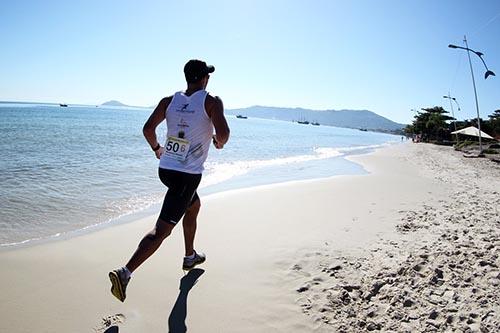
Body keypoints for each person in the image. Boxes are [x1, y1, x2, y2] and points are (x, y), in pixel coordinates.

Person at [109, 59, 230, 302]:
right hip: (187, 177)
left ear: (187, 77)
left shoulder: (169, 101)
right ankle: (125, 273)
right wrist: (218, 141)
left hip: (166, 170)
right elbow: (224, 135)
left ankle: (189, 256)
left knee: (193, 205)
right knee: (161, 230)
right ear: (205, 78)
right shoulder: (211, 101)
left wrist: (157, 149)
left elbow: (148, 129)